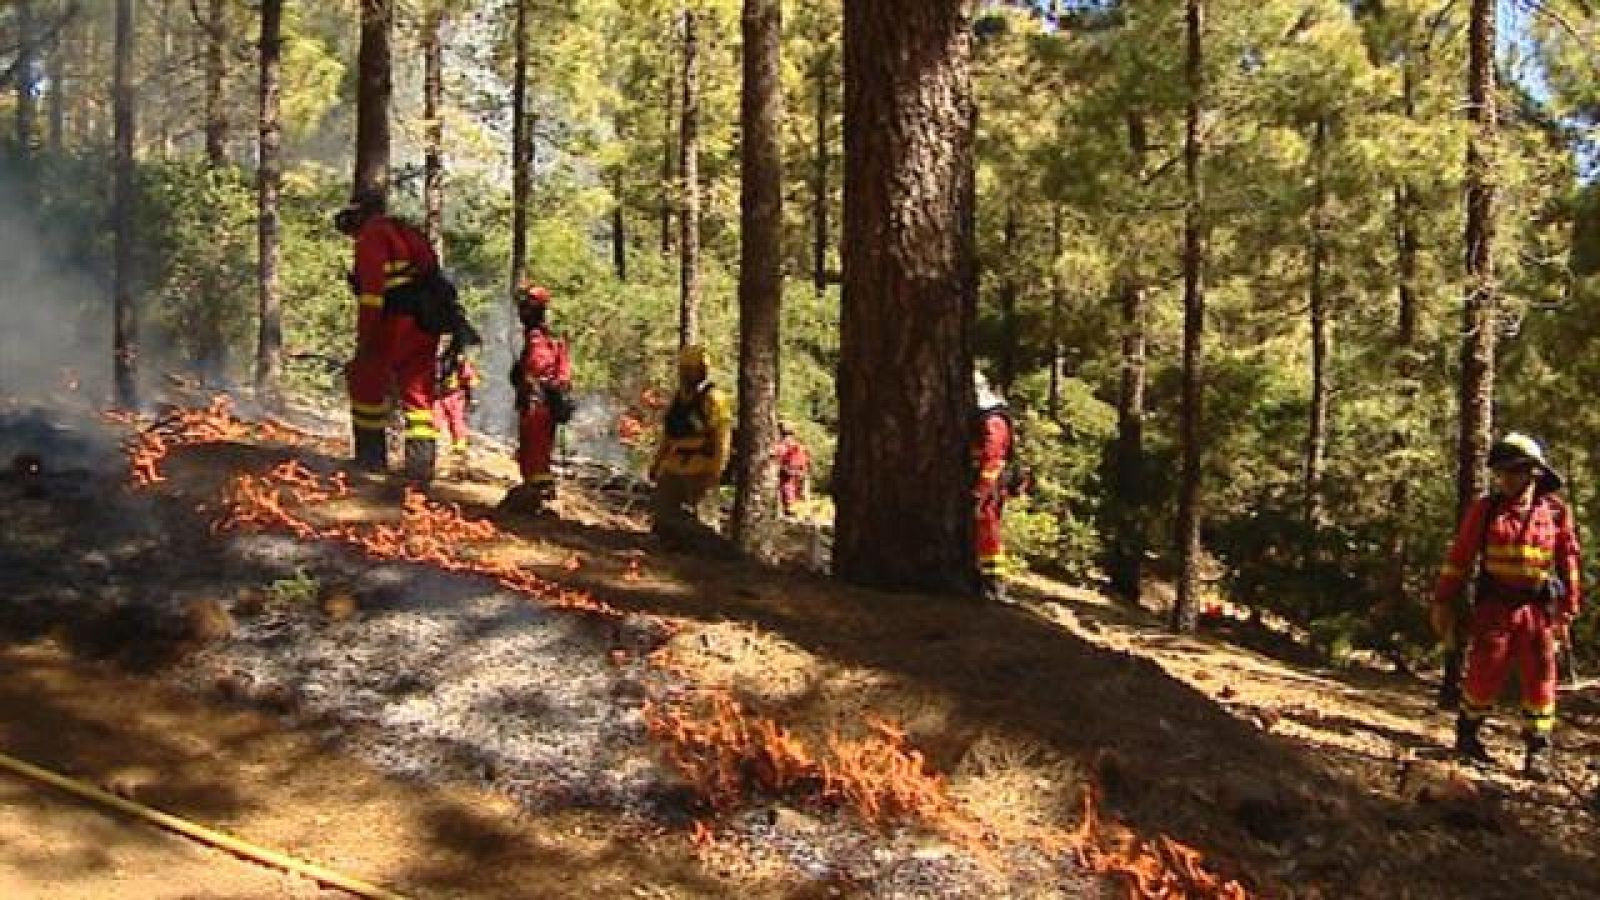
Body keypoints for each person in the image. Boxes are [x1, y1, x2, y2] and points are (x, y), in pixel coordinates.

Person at [1431, 432, 1581, 780]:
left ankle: (1538, 747)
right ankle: (1467, 734)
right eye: (1501, 472)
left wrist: (1568, 612)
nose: (1506, 479)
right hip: (1495, 606)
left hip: (1538, 611)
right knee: (1484, 672)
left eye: (1514, 471)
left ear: (1534, 472)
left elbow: (1569, 562)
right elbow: (1460, 557)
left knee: (1541, 678)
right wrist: (1443, 599)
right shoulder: (1486, 510)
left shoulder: (1556, 513)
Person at [335, 189, 442, 485]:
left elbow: (372, 296)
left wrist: (365, 340)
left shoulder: (372, 236)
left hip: (392, 323)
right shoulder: (407, 232)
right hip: (425, 323)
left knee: (366, 384)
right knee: (418, 395)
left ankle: (370, 461)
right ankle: (420, 470)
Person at [649, 344, 732, 551]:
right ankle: (671, 549)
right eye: (684, 369)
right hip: (674, 467)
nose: (686, 373)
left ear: (702, 370)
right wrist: (657, 463)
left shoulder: (714, 399)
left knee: (699, 522)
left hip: (700, 469)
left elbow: (722, 438)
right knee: (664, 514)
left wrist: (716, 470)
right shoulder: (679, 398)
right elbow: (669, 435)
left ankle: (709, 559)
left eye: (691, 369)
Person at [504, 284, 572, 512]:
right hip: (539, 402)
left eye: (525, 307)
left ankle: (538, 497)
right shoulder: (546, 335)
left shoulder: (541, 338)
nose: (521, 313)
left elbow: (539, 367)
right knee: (532, 450)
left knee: (536, 451)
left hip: (538, 403)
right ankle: (536, 493)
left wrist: (524, 377)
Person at [973, 371, 1015, 604]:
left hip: (991, 485)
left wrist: (981, 489)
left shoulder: (993, 420)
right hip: (984, 482)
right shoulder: (985, 417)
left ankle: (995, 585)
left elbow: (993, 458)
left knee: (988, 532)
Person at [433, 346, 480, 472]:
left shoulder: (459, 360)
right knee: (435, 420)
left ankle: (459, 450)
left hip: (455, 395)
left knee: (456, 422)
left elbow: (470, 379)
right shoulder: (432, 358)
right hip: (438, 395)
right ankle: (432, 448)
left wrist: (473, 397)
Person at [774, 422, 811, 518]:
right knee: (794, 493)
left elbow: (777, 456)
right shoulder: (798, 445)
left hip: (788, 473)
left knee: (787, 492)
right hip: (797, 473)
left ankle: (790, 511)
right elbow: (806, 461)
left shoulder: (783, 445)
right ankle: (794, 510)